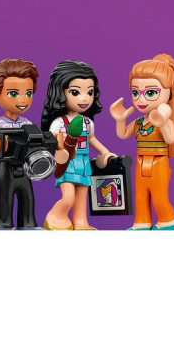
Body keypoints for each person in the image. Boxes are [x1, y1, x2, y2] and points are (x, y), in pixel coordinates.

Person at [40, 60, 115, 230]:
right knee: (68, 197)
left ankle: (81, 223)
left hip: (84, 162)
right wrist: (59, 153)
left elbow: (92, 139)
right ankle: (55, 217)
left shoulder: (87, 122)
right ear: (60, 93)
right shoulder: (59, 123)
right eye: (75, 92)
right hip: (67, 163)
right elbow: (51, 143)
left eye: (90, 92)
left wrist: (105, 152)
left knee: (82, 195)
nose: (84, 98)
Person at [111, 53, 174, 230]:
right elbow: (123, 134)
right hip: (141, 162)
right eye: (136, 92)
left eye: (150, 93)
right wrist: (120, 119)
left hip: (159, 162)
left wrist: (162, 122)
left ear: (169, 93)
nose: (141, 99)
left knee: (159, 198)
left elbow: (170, 139)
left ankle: (168, 223)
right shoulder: (139, 122)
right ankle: (141, 223)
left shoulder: (166, 120)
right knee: (140, 196)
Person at [0, 58, 41, 229]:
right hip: (6, 167)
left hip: (25, 166)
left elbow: (36, 141)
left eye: (28, 93)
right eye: (14, 94)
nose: (23, 100)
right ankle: (4, 224)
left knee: (28, 196)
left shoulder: (27, 123)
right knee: (5, 198)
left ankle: (28, 224)